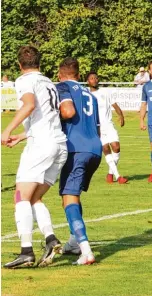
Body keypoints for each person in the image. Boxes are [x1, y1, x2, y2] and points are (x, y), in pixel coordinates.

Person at [1, 46, 67, 268]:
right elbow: (45, 117)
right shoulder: (49, 82)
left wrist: (7, 130)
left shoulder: (24, 80)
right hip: (58, 145)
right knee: (34, 198)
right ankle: (51, 239)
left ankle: (26, 251)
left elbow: (29, 105)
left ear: (20, 65)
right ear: (39, 63)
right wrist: (22, 136)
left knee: (20, 196)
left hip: (41, 146)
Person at [56, 57, 102, 265]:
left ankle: (86, 250)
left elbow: (67, 111)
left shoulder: (62, 87)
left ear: (60, 73)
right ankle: (74, 241)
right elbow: (98, 127)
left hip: (77, 148)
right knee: (72, 195)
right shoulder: (90, 95)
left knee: (68, 196)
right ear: (79, 74)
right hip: (95, 148)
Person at [86, 72, 128, 184]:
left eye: (95, 78)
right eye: (91, 78)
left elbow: (115, 105)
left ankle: (110, 173)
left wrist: (121, 116)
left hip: (108, 124)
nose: (94, 80)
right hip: (96, 127)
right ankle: (118, 176)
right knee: (106, 149)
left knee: (116, 147)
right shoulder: (86, 95)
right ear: (87, 81)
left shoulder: (105, 92)